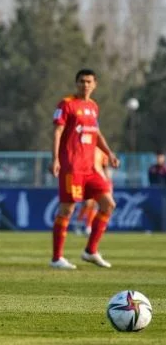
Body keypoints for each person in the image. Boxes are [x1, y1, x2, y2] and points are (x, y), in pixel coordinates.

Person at [49, 69, 120, 270]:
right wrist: (55, 159)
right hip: (72, 167)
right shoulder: (66, 104)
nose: (85, 85)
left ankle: (90, 250)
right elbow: (57, 131)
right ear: (76, 83)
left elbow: (96, 134)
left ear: (95, 84)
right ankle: (56, 258)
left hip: (91, 169)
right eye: (81, 81)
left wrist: (110, 153)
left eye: (89, 81)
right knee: (67, 209)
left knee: (108, 204)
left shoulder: (93, 107)